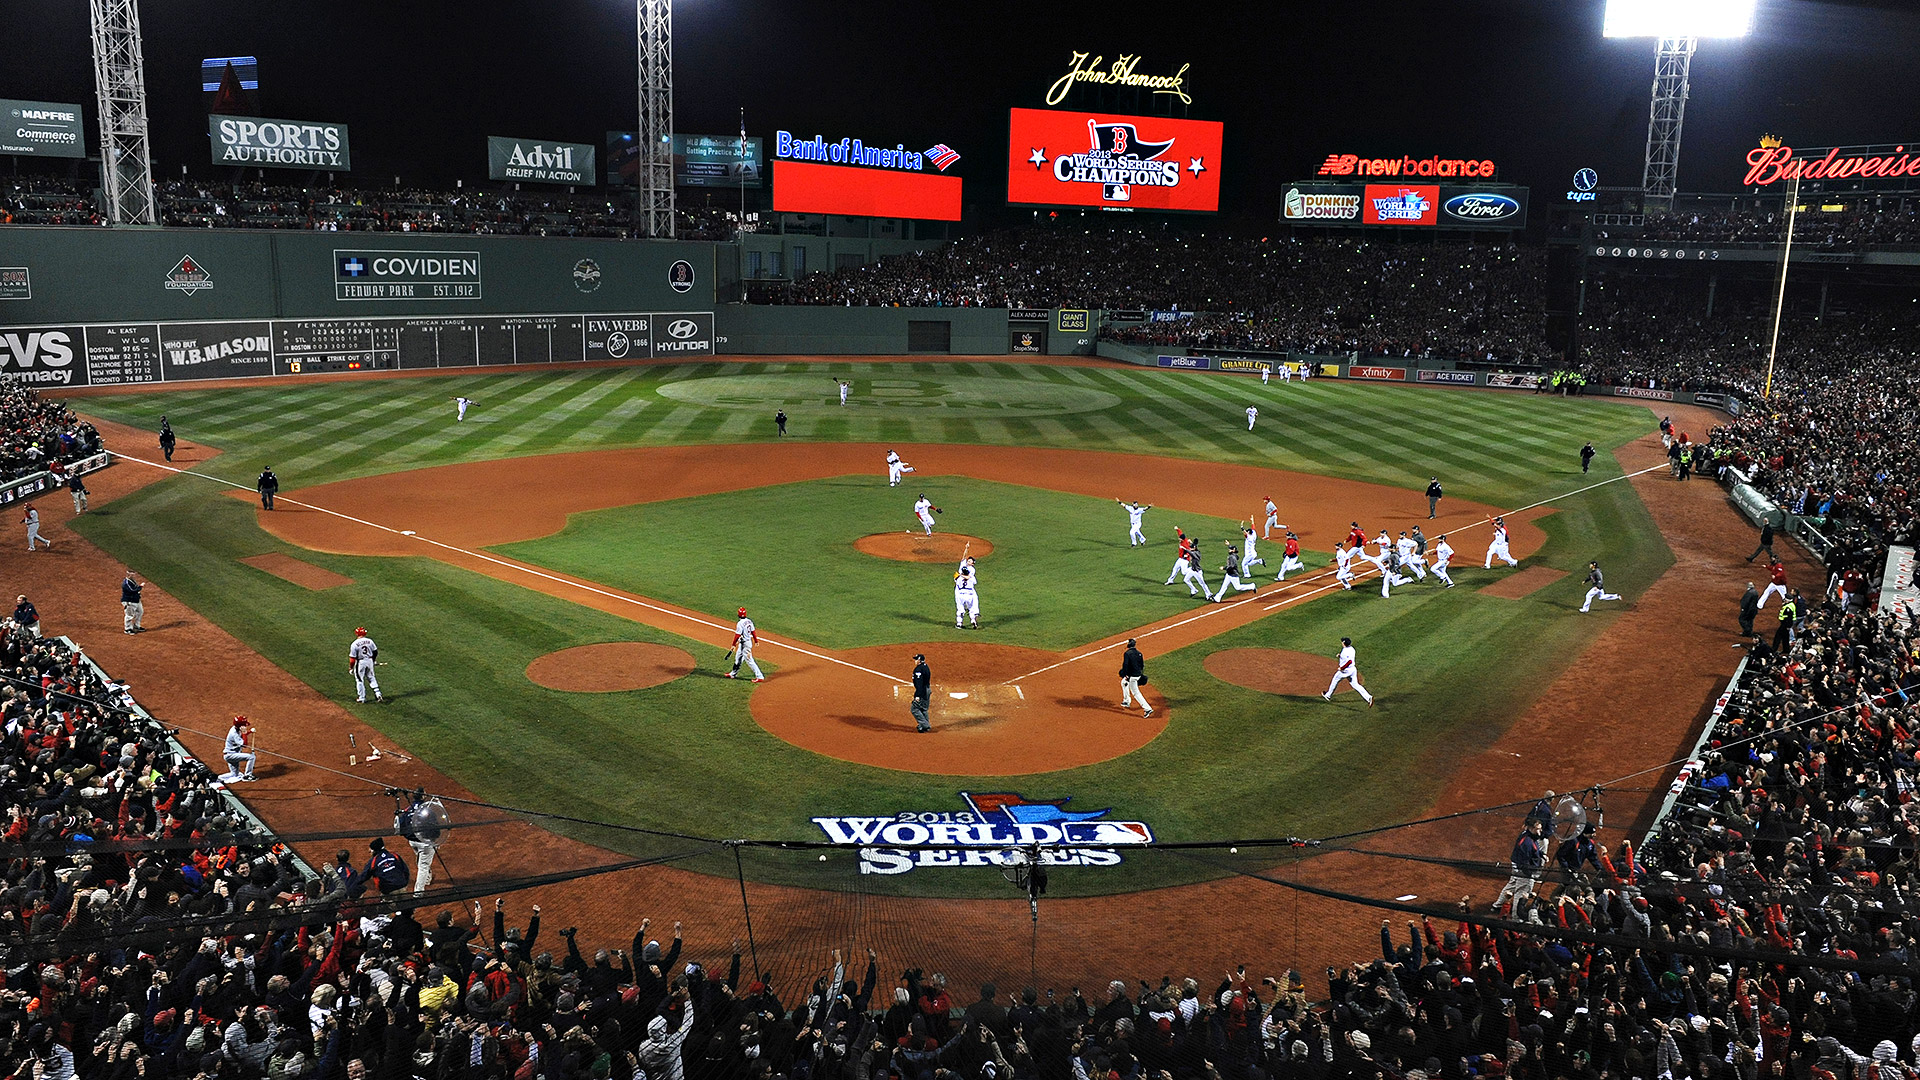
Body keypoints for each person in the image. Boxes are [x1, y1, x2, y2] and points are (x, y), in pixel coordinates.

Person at [1493, 819, 1548, 913]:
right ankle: (1516, 916)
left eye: (1540, 829)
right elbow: (1524, 862)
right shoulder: (1527, 842)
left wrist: (1542, 854)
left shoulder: (1528, 835)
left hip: (1518, 867)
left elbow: (1534, 849)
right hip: (1524, 870)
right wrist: (1529, 875)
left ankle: (1497, 905)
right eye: (1537, 829)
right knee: (1522, 893)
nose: (1540, 831)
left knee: (1512, 885)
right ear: (1531, 828)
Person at [396, 787, 443, 892]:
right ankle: (418, 892)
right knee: (423, 866)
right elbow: (435, 827)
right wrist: (436, 840)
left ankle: (427, 878)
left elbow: (400, 825)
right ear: (423, 796)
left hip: (412, 842)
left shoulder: (408, 809)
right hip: (425, 843)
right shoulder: (427, 810)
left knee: (420, 859)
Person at [1324, 637, 1373, 706]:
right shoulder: (1351, 649)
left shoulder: (1345, 651)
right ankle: (1368, 697)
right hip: (1353, 670)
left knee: (1335, 680)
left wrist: (1342, 668)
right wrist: (1340, 656)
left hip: (1345, 671)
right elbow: (1348, 657)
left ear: (1344, 643)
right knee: (1355, 685)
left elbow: (1349, 661)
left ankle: (1328, 695)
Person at [348, 627, 384, 703]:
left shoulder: (354, 644)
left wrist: (351, 668)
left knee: (359, 680)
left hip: (361, 662)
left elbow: (352, 659)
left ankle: (361, 698)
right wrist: (373, 660)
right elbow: (375, 652)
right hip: (369, 661)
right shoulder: (370, 641)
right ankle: (378, 693)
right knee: (371, 677)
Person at [729, 607, 765, 681]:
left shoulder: (740, 624)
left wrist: (733, 645)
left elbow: (737, 635)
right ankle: (733, 674)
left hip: (746, 645)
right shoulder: (749, 621)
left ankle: (760, 676)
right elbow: (753, 631)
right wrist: (756, 640)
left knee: (749, 660)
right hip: (744, 643)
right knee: (738, 658)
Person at [1119, 639, 1151, 717]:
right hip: (1138, 674)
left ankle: (1147, 709)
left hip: (1132, 676)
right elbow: (1142, 665)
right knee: (1124, 683)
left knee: (1136, 693)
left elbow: (1126, 665)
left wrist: (1126, 675)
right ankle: (1126, 701)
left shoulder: (1127, 653)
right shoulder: (1139, 653)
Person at [220, 716, 256, 783]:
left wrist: (249, 732)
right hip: (231, 755)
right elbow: (244, 744)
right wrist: (245, 733)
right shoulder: (234, 734)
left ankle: (219, 778)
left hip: (230, 754)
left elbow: (241, 736)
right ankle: (247, 776)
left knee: (234, 775)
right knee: (251, 757)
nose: (245, 725)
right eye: (244, 724)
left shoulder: (235, 728)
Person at [910, 654, 932, 733]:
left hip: (922, 691)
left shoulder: (918, 670)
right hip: (927, 689)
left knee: (914, 709)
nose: (915, 661)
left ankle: (925, 725)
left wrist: (918, 695)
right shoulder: (926, 666)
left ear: (919, 660)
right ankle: (925, 727)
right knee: (923, 709)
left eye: (916, 659)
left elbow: (919, 683)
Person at [120, 570, 144, 634]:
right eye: (133, 575)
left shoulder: (132, 581)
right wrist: (140, 587)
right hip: (129, 601)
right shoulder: (126, 583)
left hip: (136, 600)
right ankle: (127, 629)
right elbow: (133, 590)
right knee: (129, 615)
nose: (134, 576)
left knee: (140, 612)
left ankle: (136, 626)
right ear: (129, 575)